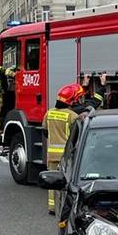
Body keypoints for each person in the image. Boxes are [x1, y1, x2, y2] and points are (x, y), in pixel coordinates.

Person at [42, 83, 83, 214]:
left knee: (52, 182)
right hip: (67, 157)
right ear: (72, 100)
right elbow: (76, 136)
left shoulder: (49, 113)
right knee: (67, 183)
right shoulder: (72, 116)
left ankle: (52, 208)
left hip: (52, 155)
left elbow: (45, 132)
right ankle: (66, 209)